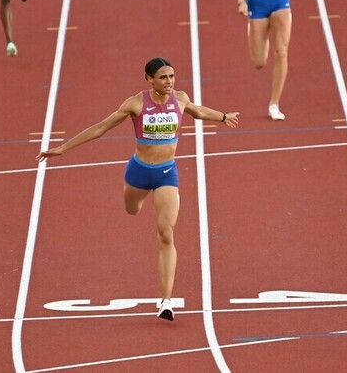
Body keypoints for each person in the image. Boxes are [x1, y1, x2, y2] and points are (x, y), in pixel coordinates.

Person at [35, 58, 239, 321]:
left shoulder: (180, 98)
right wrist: (63, 148)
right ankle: (137, 198)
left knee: (166, 234)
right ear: (149, 79)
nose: (169, 81)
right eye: (163, 77)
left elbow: (198, 111)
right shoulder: (136, 103)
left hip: (166, 173)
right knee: (132, 209)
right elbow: (101, 128)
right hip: (138, 172)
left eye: (172, 76)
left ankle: (166, 301)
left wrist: (223, 116)